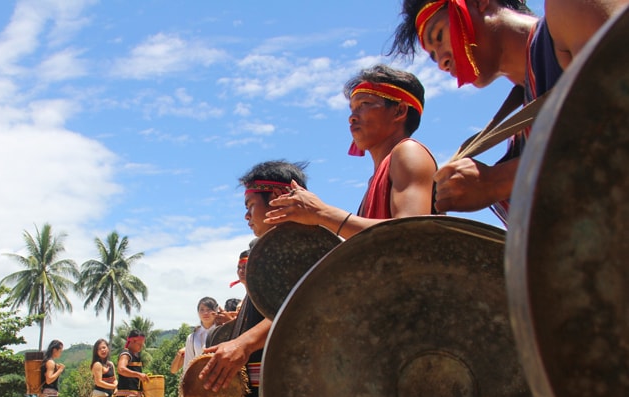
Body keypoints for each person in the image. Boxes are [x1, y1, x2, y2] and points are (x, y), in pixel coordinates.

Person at [389, 0, 628, 222]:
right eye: (433, 57)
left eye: (439, 36)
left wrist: (496, 181)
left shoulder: (569, 9)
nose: (442, 62)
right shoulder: (520, 129)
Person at [200, 160, 309, 397]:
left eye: (250, 205)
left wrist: (243, 344)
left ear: (277, 199)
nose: (246, 215)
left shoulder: (307, 252)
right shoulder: (271, 255)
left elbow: (298, 306)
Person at [265, 64, 436, 238]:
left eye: (365, 104)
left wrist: (321, 213)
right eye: (353, 109)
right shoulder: (377, 177)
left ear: (399, 111)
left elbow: (411, 233)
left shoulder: (409, 151)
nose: (352, 117)